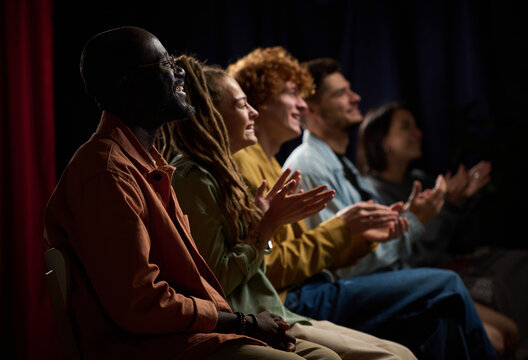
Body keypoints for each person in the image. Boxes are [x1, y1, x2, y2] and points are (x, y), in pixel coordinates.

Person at [43, 26, 344, 360]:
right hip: (157, 346)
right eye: (164, 65)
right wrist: (245, 321)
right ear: (129, 88)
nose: (180, 71)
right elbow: (141, 305)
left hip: (195, 330)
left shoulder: (147, 165)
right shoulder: (109, 174)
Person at [230, 48, 498, 359]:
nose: (301, 105)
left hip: (311, 287)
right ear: (259, 100)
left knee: (441, 323)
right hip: (296, 298)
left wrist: (367, 236)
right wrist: (366, 230)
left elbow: (309, 252)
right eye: (294, 94)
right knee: (448, 285)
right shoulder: (294, 165)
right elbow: (277, 267)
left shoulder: (278, 165)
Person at [163, 55, 417, 360]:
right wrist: (274, 224)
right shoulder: (203, 175)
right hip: (271, 306)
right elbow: (245, 273)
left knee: (405, 347)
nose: (302, 105)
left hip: (277, 303)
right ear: (213, 115)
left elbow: (264, 259)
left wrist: (358, 238)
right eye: (244, 105)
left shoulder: (238, 168)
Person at [360, 101, 528, 359]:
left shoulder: (419, 178)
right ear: (382, 141)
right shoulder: (371, 192)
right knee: (501, 333)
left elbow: (454, 240)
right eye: (405, 127)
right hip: (421, 277)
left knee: (525, 268)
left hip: (448, 267)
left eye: (416, 126)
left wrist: (462, 201)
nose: (418, 133)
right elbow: (409, 255)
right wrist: (448, 206)